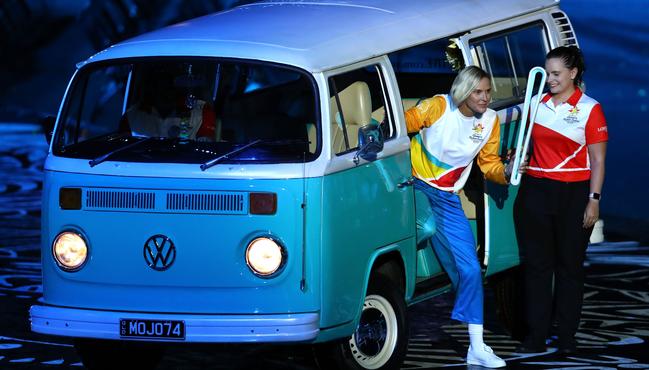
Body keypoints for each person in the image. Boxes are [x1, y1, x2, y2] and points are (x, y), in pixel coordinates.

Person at [405, 65, 513, 368]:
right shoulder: (439, 106)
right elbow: (401, 126)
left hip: (448, 199)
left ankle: (477, 347)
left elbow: (488, 164)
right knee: (425, 226)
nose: (485, 98)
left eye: (488, 91)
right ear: (463, 91)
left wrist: (505, 171)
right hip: (415, 186)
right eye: (478, 92)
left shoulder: (490, 121)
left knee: (471, 270)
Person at [513, 46, 608, 355]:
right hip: (536, 192)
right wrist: (518, 158)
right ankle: (536, 335)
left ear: (573, 73)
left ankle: (566, 335)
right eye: (547, 72)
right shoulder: (535, 105)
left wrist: (593, 200)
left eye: (556, 74)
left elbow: (598, 160)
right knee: (538, 268)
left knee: (569, 268)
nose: (550, 79)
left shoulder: (590, 109)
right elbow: (524, 146)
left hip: (574, 194)